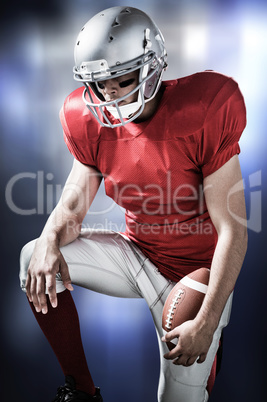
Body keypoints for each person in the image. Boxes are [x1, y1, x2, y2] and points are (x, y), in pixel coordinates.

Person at [19, 6, 247, 402]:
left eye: (121, 79)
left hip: (196, 274)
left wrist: (208, 321)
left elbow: (233, 227)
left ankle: (207, 354)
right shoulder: (85, 119)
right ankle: (83, 392)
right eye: (101, 82)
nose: (109, 94)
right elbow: (72, 207)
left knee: (178, 398)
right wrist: (49, 237)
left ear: (153, 66)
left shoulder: (204, 110)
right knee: (34, 259)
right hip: (136, 253)